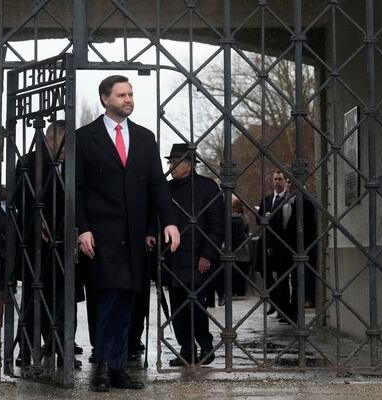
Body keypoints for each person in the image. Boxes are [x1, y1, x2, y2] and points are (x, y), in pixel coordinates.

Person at [76, 75, 180, 392]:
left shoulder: (145, 138)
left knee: (127, 303)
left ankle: (118, 367)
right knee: (107, 299)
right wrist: (83, 229)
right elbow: (76, 189)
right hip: (101, 234)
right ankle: (103, 367)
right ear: (105, 98)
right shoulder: (84, 137)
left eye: (131, 94)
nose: (128, 100)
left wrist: (168, 222)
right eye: (122, 95)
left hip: (134, 237)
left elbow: (157, 187)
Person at [14, 120, 83, 369]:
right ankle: (28, 348)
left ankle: (63, 348)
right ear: (52, 139)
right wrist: (38, 221)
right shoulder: (29, 162)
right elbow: (19, 201)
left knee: (66, 300)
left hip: (67, 243)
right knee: (34, 298)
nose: (68, 149)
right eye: (65, 142)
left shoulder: (75, 165)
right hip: (38, 245)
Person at [149, 143, 224, 367]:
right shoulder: (167, 188)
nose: (171, 166)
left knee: (196, 306)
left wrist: (207, 255)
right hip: (173, 258)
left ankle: (206, 345)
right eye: (170, 162)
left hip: (198, 258)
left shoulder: (207, 187)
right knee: (177, 307)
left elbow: (218, 224)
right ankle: (187, 349)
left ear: (189, 165)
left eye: (175, 162)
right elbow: (156, 216)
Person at [270, 178, 316, 324]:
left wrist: (306, 248)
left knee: (297, 281)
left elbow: (309, 228)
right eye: (288, 182)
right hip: (281, 248)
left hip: (297, 248)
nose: (289, 185)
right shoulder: (280, 201)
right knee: (282, 280)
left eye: (292, 182)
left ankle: (295, 313)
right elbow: (274, 225)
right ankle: (283, 312)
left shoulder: (306, 203)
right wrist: (271, 245)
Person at [255, 170, 287, 316]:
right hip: (265, 241)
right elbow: (257, 219)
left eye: (280, 179)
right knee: (264, 271)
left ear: (285, 181)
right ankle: (273, 301)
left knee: (282, 276)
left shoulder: (287, 198)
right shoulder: (267, 200)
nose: (277, 182)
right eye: (275, 179)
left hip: (280, 242)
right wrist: (264, 217)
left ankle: (282, 308)